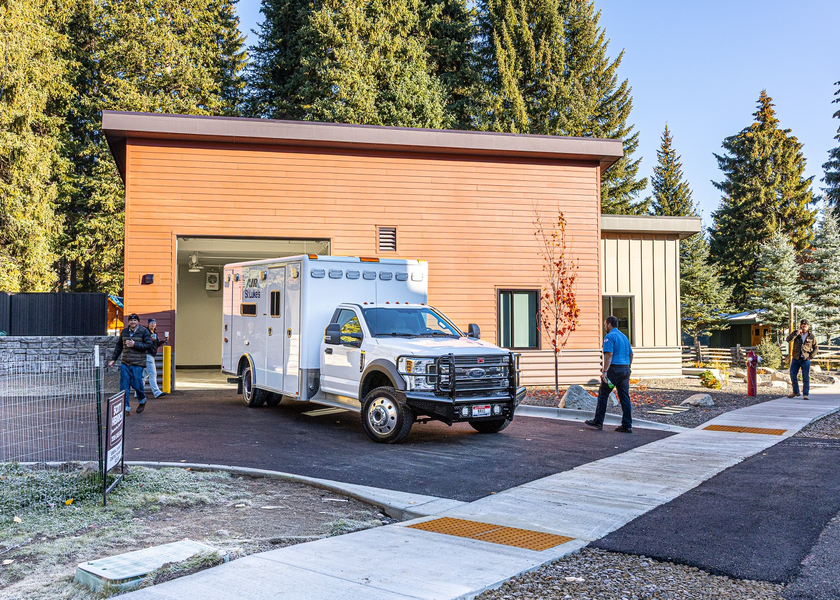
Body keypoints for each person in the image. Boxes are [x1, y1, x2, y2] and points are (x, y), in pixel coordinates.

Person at [585, 315, 634, 433]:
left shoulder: (609, 337)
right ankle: (627, 425)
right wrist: (629, 367)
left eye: (605, 324)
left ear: (609, 324)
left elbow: (609, 354)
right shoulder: (624, 337)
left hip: (613, 371)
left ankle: (598, 421)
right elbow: (631, 354)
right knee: (624, 396)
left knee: (603, 394)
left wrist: (605, 371)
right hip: (625, 371)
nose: (605, 327)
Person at [109, 313, 152, 413]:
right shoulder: (124, 332)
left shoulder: (144, 332)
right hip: (125, 363)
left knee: (137, 385)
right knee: (124, 386)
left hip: (138, 363)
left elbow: (148, 345)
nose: (133, 322)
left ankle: (142, 400)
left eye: (135, 320)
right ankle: (125, 408)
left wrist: (135, 344)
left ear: (138, 321)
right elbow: (119, 346)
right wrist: (113, 359)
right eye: (131, 320)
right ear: (128, 321)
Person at [786, 319, 818, 400]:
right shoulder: (796, 334)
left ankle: (805, 394)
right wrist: (796, 333)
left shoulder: (811, 336)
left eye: (805, 326)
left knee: (805, 377)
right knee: (793, 374)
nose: (803, 328)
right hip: (796, 357)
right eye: (802, 326)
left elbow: (816, 348)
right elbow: (788, 339)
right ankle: (796, 391)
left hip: (805, 358)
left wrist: (811, 356)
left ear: (808, 327)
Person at [144, 318, 168, 398]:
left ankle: (138, 392)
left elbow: (157, 344)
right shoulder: (146, 332)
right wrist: (150, 340)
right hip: (148, 354)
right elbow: (144, 341)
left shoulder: (155, 333)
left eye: (154, 323)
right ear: (148, 324)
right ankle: (156, 392)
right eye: (151, 323)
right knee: (153, 374)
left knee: (144, 375)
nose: (153, 324)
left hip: (151, 355)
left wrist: (163, 341)